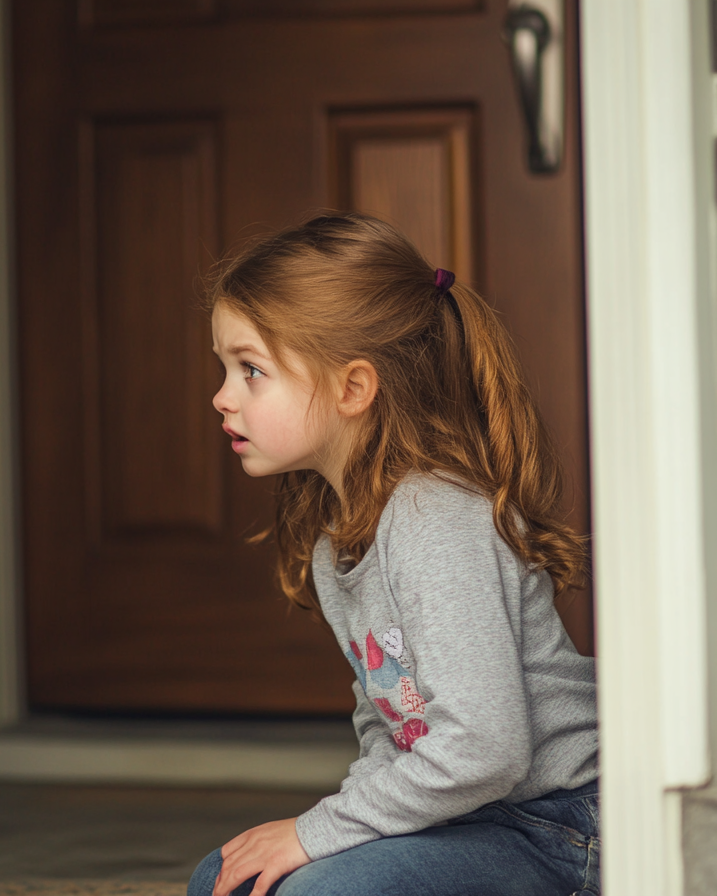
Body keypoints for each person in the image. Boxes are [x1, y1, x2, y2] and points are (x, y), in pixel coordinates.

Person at [187, 214, 599, 896]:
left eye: (251, 370)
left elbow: (486, 750)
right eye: (225, 368)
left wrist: (317, 832)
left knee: (319, 890)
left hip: (559, 826)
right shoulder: (339, 540)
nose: (222, 397)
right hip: (471, 815)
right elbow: (390, 730)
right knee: (226, 879)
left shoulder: (433, 519)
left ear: (353, 388)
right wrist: (329, 829)